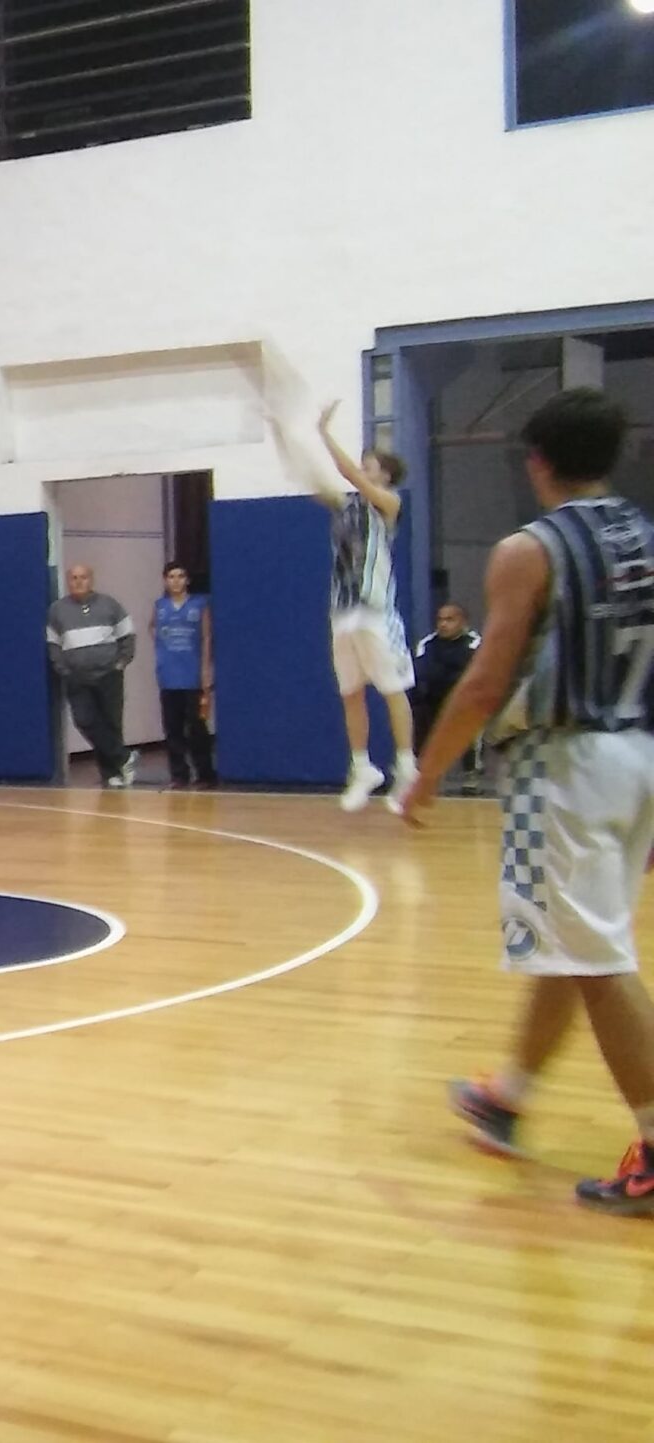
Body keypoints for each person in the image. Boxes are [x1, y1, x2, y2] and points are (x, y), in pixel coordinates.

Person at [401, 388, 654, 1216]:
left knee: (597, 960)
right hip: (639, 754)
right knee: (573, 943)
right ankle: (506, 1097)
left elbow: (484, 681)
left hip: (564, 765)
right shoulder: (644, 536)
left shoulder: (529, 549)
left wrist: (427, 773)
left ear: (536, 462)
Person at [314, 399, 420, 812]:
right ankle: (362, 767)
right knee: (351, 693)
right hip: (342, 612)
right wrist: (289, 437)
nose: (362, 469)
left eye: (369, 465)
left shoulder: (389, 504)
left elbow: (347, 473)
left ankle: (406, 766)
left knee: (392, 689)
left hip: (376, 611)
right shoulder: (346, 506)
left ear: (385, 474)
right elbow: (317, 479)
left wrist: (324, 433)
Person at [47, 564, 137, 788]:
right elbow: (53, 643)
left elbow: (127, 634)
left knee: (111, 722)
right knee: (85, 720)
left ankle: (113, 774)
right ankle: (124, 757)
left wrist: (121, 663)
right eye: (74, 578)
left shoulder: (109, 604)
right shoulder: (57, 610)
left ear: (91, 580)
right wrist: (62, 669)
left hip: (109, 675)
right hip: (76, 677)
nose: (79, 582)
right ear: (68, 581)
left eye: (83, 577)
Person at [151, 562, 216, 790]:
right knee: (173, 729)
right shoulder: (160, 606)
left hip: (193, 676)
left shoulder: (199, 604)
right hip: (169, 677)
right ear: (165, 580)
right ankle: (179, 775)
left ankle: (205, 774)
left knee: (197, 728)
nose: (176, 581)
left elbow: (206, 637)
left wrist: (205, 670)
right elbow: (153, 629)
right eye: (171, 576)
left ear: (187, 580)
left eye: (180, 576)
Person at [412, 601, 481, 747]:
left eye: (450, 620)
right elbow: (424, 674)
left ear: (463, 622)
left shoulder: (475, 643)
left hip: (464, 705)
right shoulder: (427, 644)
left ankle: (471, 760)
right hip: (432, 706)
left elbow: (470, 676)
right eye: (440, 620)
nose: (443, 624)